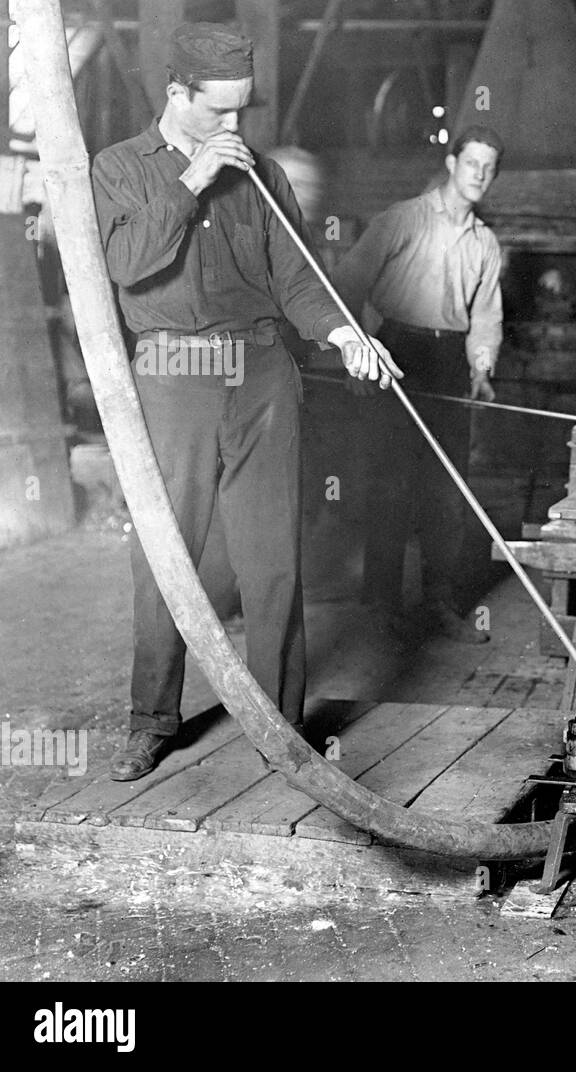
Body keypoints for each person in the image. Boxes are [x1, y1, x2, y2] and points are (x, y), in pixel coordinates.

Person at [91, 23, 396, 780]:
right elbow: (126, 266)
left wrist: (343, 334)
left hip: (261, 372)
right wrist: (191, 179)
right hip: (173, 373)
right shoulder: (118, 169)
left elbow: (297, 281)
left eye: (242, 112)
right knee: (166, 553)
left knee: (273, 557)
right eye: (218, 113)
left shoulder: (262, 175)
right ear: (176, 94)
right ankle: (151, 719)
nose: (234, 129)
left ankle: (282, 726)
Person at [332, 127, 504, 643]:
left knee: (447, 488)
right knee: (390, 483)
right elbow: (348, 285)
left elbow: (485, 316)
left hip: (449, 360)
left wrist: (481, 366)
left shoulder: (485, 242)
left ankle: (439, 603)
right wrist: (356, 357)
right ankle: (380, 607)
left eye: (489, 167)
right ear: (452, 162)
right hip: (396, 352)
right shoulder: (402, 219)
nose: (479, 174)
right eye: (471, 162)